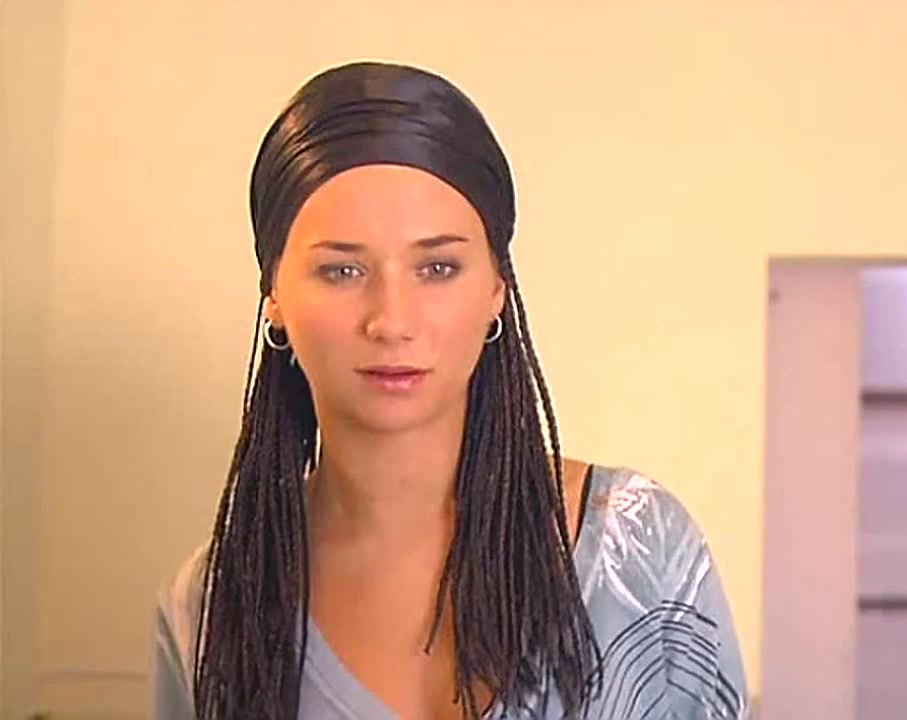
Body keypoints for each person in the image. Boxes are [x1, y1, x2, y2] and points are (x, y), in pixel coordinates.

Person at [150, 60, 748, 719]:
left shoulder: (635, 547)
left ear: (496, 289)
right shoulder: (213, 607)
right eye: (341, 270)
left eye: (438, 267)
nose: (391, 321)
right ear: (274, 297)